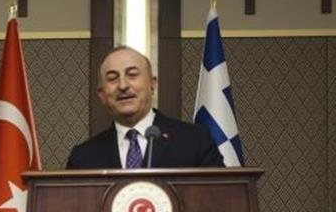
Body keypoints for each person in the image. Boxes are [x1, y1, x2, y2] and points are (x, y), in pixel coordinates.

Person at [66, 45, 225, 169]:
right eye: (112, 78)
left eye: (132, 75)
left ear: (152, 84)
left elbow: (222, 198)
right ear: (101, 94)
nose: (123, 85)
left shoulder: (194, 141)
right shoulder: (83, 157)